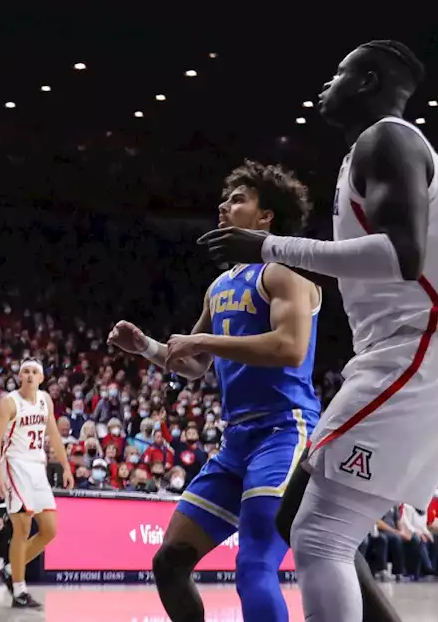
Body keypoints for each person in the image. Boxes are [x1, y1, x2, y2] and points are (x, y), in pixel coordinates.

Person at [200, 39, 438, 622]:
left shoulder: (387, 138)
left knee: (318, 537)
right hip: (414, 351)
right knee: (297, 516)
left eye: (339, 73)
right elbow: (384, 263)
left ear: (367, 81)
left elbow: (402, 255)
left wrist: (269, 246)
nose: (326, 84)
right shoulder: (375, 150)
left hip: (422, 350)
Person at [109, 160, 320, 622]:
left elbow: (289, 347)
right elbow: (194, 365)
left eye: (238, 200)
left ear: (266, 217)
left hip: (285, 432)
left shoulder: (285, 274)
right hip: (236, 441)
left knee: (254, 566)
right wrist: (146, 347)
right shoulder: (220, 286)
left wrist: (202, 340)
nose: (223, 206)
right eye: (225, 199)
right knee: (169, 561)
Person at [0, 359, 73, 608]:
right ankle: (19, 590)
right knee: (23, 528)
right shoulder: (9, 402)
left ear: (41, 378)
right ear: (19, 376)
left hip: (38, 467)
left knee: (49, 530)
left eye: (34, 371)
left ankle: (9, 570)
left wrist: (66, 466)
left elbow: (54, 435)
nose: (29, 375)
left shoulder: (45, 400)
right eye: (25, 371)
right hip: (15, 465)